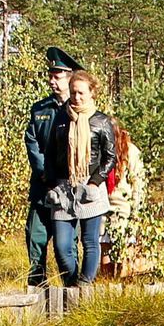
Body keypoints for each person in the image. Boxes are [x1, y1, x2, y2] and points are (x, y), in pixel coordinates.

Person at [40, 70, 117, 292]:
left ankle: (85, 287)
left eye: (81, 93)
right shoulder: (61, 119)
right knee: (62, 247)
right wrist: (52, 183)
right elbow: (50, 152)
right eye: (73, 92)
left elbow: (110, 156)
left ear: (92, 93)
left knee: (91, 242)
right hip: (63, 187)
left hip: (90, 186)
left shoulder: (102, 121)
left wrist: (95, 181)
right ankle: (72, 285)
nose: (77, 97)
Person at [23, 47, 77, 291]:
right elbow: (32, 141)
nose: (52, 80)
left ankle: (71, 290)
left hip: (69, 190)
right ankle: (36, 289)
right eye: (51, 75)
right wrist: (45, 171)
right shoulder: (39, 109)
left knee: (65, 247)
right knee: (35, 239)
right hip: (42, 187)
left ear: (70, 77)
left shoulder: (79, 110)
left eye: (57, 76)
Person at [104, 121, 157, 279]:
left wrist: (136, 209)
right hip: (102, 207)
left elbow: (138, 182)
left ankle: (125, 287)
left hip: (123, 208)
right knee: (105, 251)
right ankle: (106, 287)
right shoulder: (99, 148)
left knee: (125, 252)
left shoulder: (131, 151)